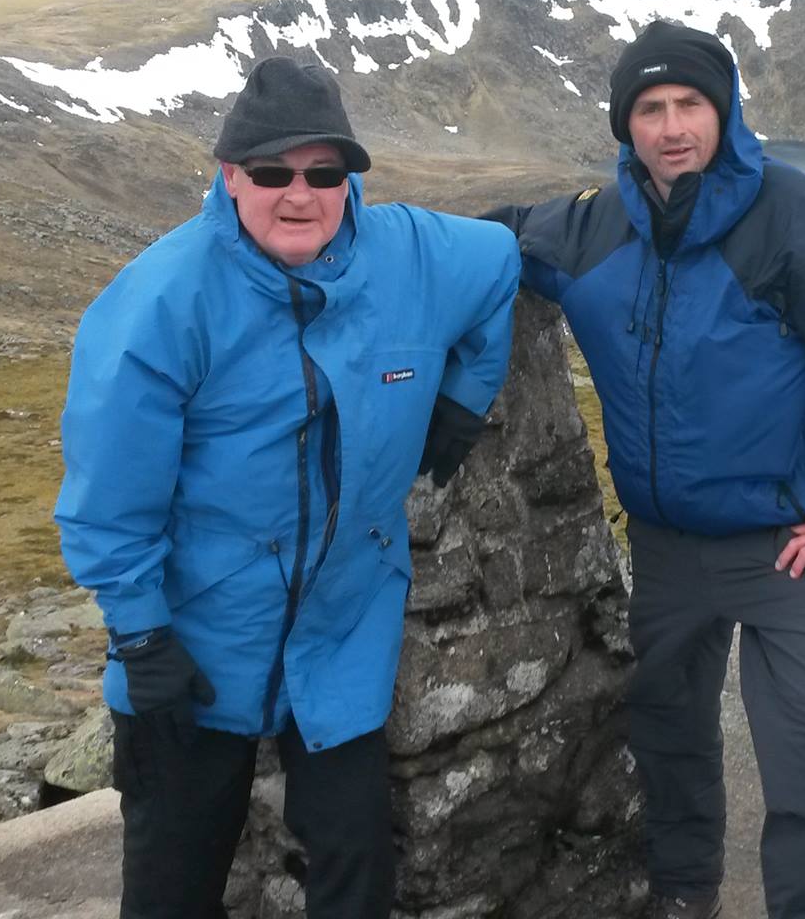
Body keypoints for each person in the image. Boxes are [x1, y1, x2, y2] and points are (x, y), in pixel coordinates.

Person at [487, 20, 805, 919]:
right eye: (650, 108)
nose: (672, 127)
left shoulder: (793, 220)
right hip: (667, 548)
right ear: (625, 124)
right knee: (668, 735)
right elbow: (498, 241)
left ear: (724, 110)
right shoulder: (594, 227)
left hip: (791, 543)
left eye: (690, 103)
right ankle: (686, 894)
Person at [55, 56, 521, 919]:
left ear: (350, 181)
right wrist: (142, 635)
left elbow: (500, 262)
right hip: (198, 631)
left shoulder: (407, 255)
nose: (299, 195)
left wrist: (464, 397)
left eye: (324, 173)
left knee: (355, 861)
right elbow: (110, 498)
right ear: (230, 175)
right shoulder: (162, 300)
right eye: (272, 172)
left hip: (343, 624)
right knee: (171, 881)